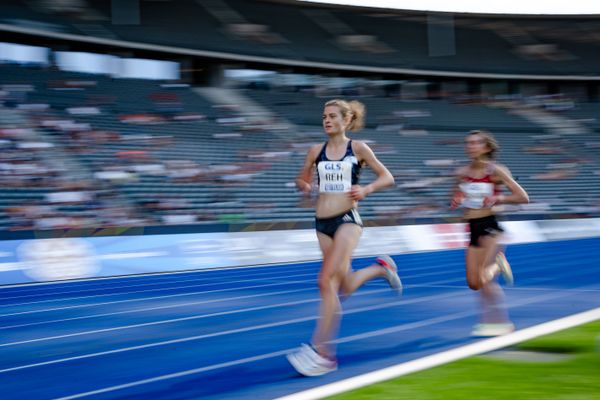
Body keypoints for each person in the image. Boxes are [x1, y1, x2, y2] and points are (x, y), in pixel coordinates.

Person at [286, 99, 402, 377]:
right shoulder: (315, 151)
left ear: (346, 120)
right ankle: (380, 269)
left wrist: (367, 189)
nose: (326, 120)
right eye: (324, 116)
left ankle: (323, 353)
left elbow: (388, 177)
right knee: (344, 287)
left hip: (348, 221)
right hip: (321, 223)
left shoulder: (358, 148)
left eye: (332, 116)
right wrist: (304, 185)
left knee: (325, 281)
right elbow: (300, 179)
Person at [451, 130, 529, 337]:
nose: (470, 146)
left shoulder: (496, 170)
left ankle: (500, 323)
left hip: (490, 226)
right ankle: (499, 267)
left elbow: (522, 197)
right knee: (474, 283)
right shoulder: (461, 172)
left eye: (476, 143)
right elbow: (456, 197)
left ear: (486, 147)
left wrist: (498, 200)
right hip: (472, 228)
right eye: (468, 143)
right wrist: (457, 200)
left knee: (485, 278)